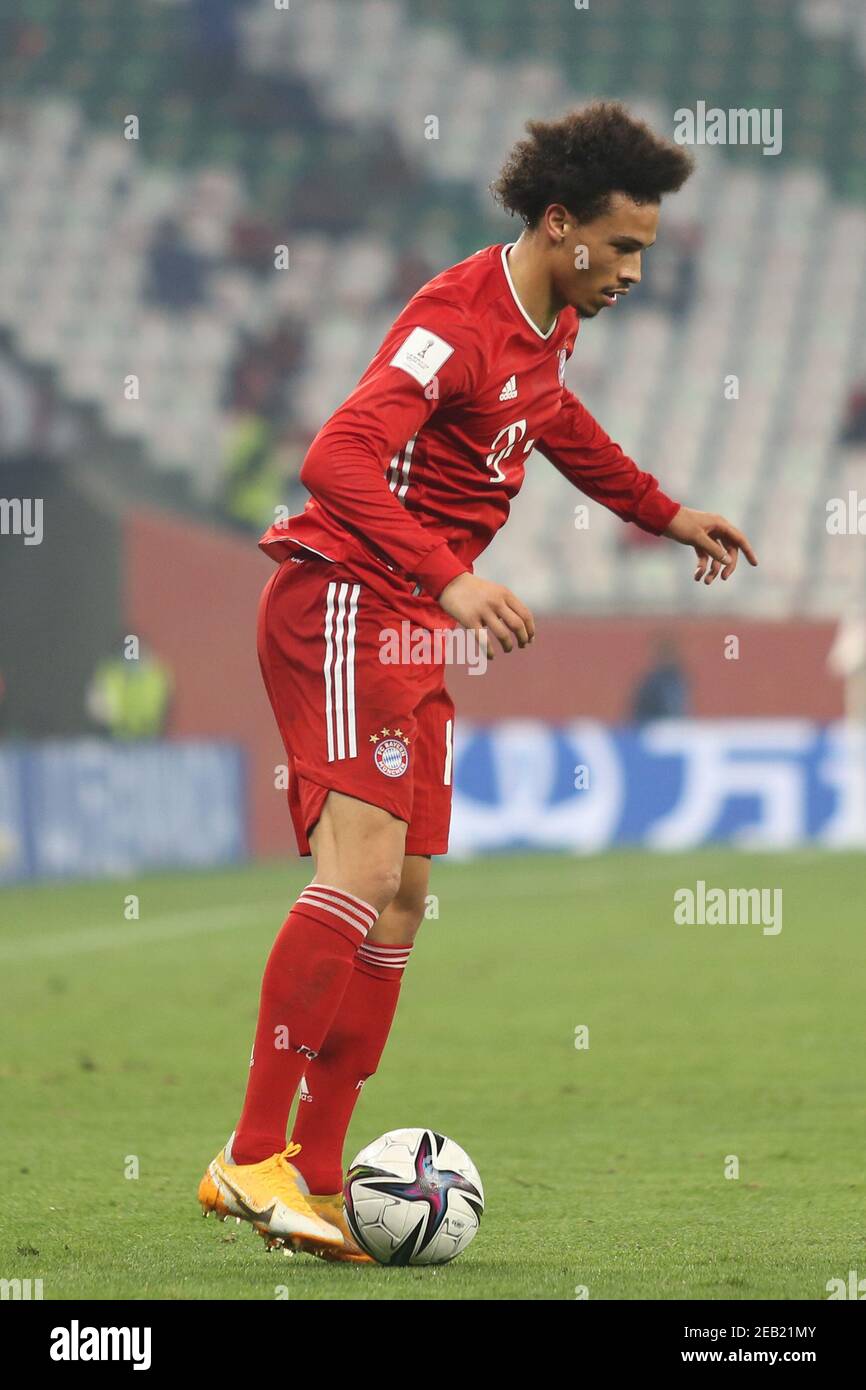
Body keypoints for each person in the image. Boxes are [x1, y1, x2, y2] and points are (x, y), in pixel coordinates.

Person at [198, 101, 758, 1260]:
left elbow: (556, 422)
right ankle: (248, 1157)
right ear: (561, 226)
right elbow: (333, 457)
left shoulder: (545, 325)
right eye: (624, 245)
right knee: (356, 871)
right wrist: (444, 575)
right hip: (348, 598)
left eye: (646, 247)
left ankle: (313, 1172)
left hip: (409, 621)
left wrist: (664, 512)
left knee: (402, 899)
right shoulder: (451, 320)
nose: (636, 270)